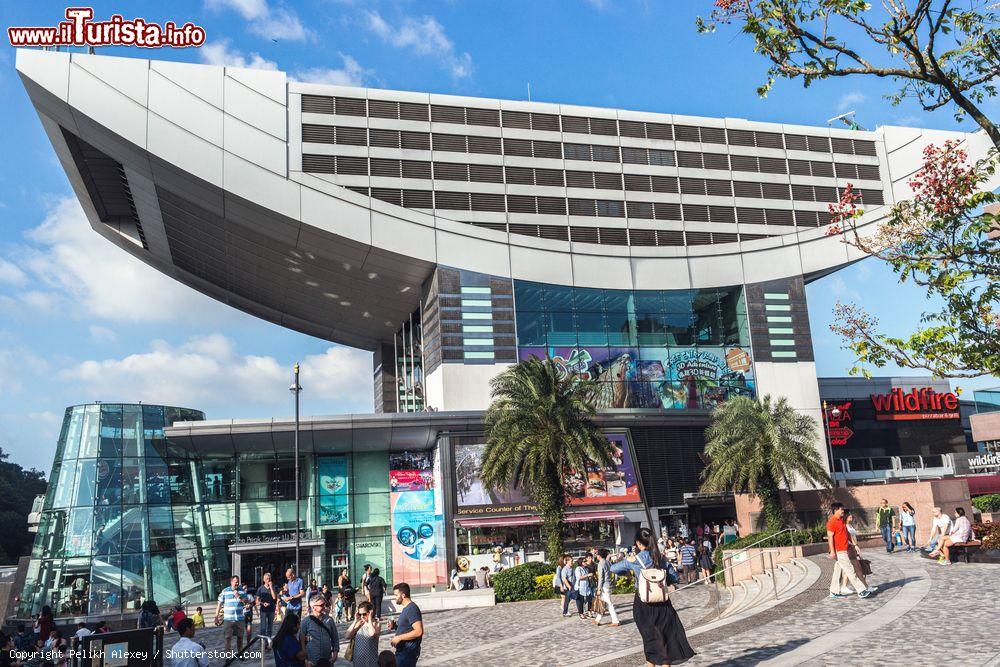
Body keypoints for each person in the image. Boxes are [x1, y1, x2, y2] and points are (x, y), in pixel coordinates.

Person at [611, 527, 695, 666]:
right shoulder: (660, 557)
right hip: (662, 602)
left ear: (638, 543)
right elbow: (673, 577)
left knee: (649, 639)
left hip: (643, 604)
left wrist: (629, 569)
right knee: (665, 637)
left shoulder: (634, 560)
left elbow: (614, 569)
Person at [827, 503, 875, 599]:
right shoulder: (831, 522)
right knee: (850, 570)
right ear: (836, 510)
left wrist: (854, 545)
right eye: (841, 509)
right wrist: (832, 551)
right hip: (839, 551)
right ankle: (861, 591)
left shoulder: (841, 521)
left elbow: (847, 534)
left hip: (845, 549)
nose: (843, 511)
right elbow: (830, 537)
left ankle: (833, 591)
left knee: (838, 571)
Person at [300, 593, 339, 667]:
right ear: (313, 607)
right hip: (312, 661)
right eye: (321, 605)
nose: (324, 606)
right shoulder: (305, 621)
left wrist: (335, 653)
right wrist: (305, 660)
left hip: (327, 659)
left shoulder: (329, 620)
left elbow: (335, 637)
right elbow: (300, 642)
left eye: (324, 604)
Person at [389, 583, 423, 667]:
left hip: (407, 652)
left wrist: (399, 637)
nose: (395, 597)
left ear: (403, 595)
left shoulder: (412, 609)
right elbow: (407, 628)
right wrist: (395, 627)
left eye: (396, 595)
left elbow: (419, 631)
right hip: (403, 652)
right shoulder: (407, 608)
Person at [215, 575, 249, 655]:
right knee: (227, 638)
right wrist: (216, 617)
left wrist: (238, 596)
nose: (237, 583)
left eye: (238, 581)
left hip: (239, 619)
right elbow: (219, 604)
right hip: (228, 619)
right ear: (231, 582)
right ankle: (228, 656)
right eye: (235, 581)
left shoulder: (242, 591)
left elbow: (246, 602)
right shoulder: (225, 591)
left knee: (240, 637)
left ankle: (240, 653)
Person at [837, 510, 869, 594]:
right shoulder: (845, 526)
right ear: (846, 517)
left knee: (853, 568)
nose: (851, 517)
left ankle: (865, 587)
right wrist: (854, 546)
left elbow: (852, 537)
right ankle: (846, 586)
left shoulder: (849, 525)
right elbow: (847, 539)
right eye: (850, 516)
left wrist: (856, 545)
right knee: (851, 568)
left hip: (853, 547)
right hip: (849, 548)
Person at [344, 601, 380, 667]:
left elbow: (372, 634)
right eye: (360, 614)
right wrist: (355, 621)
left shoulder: (375, 624)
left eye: (364, 614)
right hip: (358, 660)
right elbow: (347, 636)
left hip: (370, 660)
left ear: (370, 612)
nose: (362, 616)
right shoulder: (359, 623)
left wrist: (369, 619)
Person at [592, 548, 619, 628]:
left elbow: (601, 578)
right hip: (609, 584)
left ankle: (615, 621)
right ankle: (598, 619)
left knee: (609, 604)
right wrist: (614, 582)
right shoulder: (608, 562)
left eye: (596, 554)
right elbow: (614, 572)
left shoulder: (601, 563)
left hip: (604, 586)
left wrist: (599, 588)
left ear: (599, 555)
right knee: (603, 602)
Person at [257, 572, 278, 641]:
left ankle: (268, 642)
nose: (268, 580)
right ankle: (263, 642)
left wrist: (271, 587)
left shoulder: (274, 587)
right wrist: (263, 603)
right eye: (266, 579)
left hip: (271, 609)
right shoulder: (260, 589)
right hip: (263, 610)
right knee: (263, 627)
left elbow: (274, 598)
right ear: (263, 580)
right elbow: (257, 601)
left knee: (270, 627)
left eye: (269, 579)